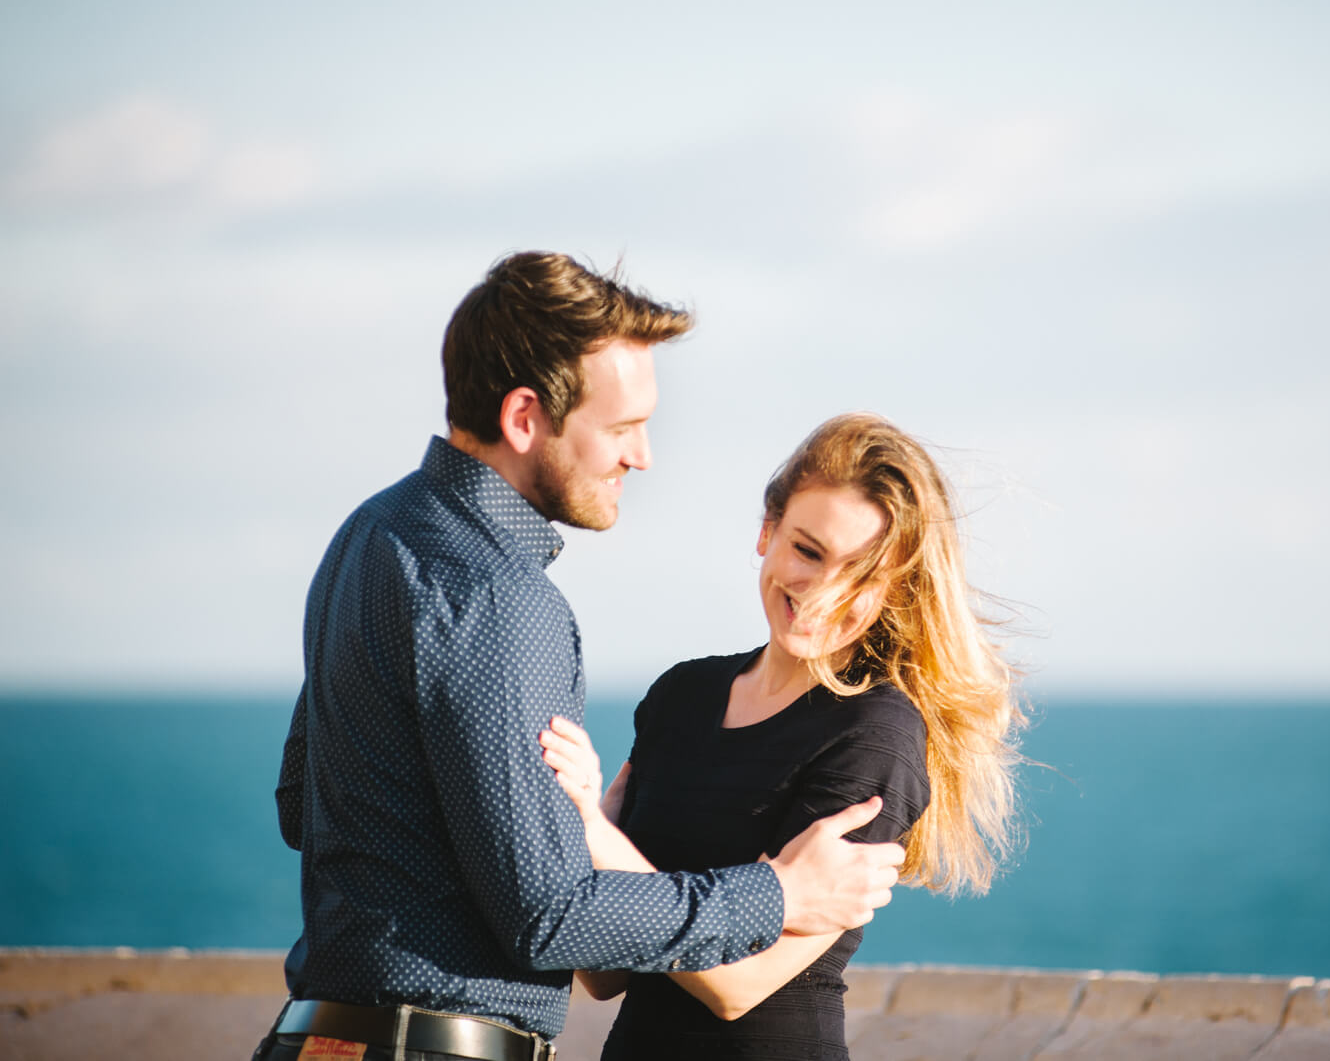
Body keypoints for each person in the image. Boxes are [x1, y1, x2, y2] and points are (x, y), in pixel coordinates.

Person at [254, 254, 906, 1061]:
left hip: (316, 1038)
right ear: (526, 417)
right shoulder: (502, 596)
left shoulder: (369, 535)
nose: (643, 456)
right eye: (624, 427)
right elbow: (551, 919)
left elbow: (301, 806)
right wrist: (777, 892)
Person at [539, 412, 1026, 1059]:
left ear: (893, 591)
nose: (821, 591)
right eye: (807, 550)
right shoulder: (681, 697)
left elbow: (738, 983)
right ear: (767, 532)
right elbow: (604, 975)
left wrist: (595, 834)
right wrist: (590, 829)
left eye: (859, 573)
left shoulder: (875, 736)